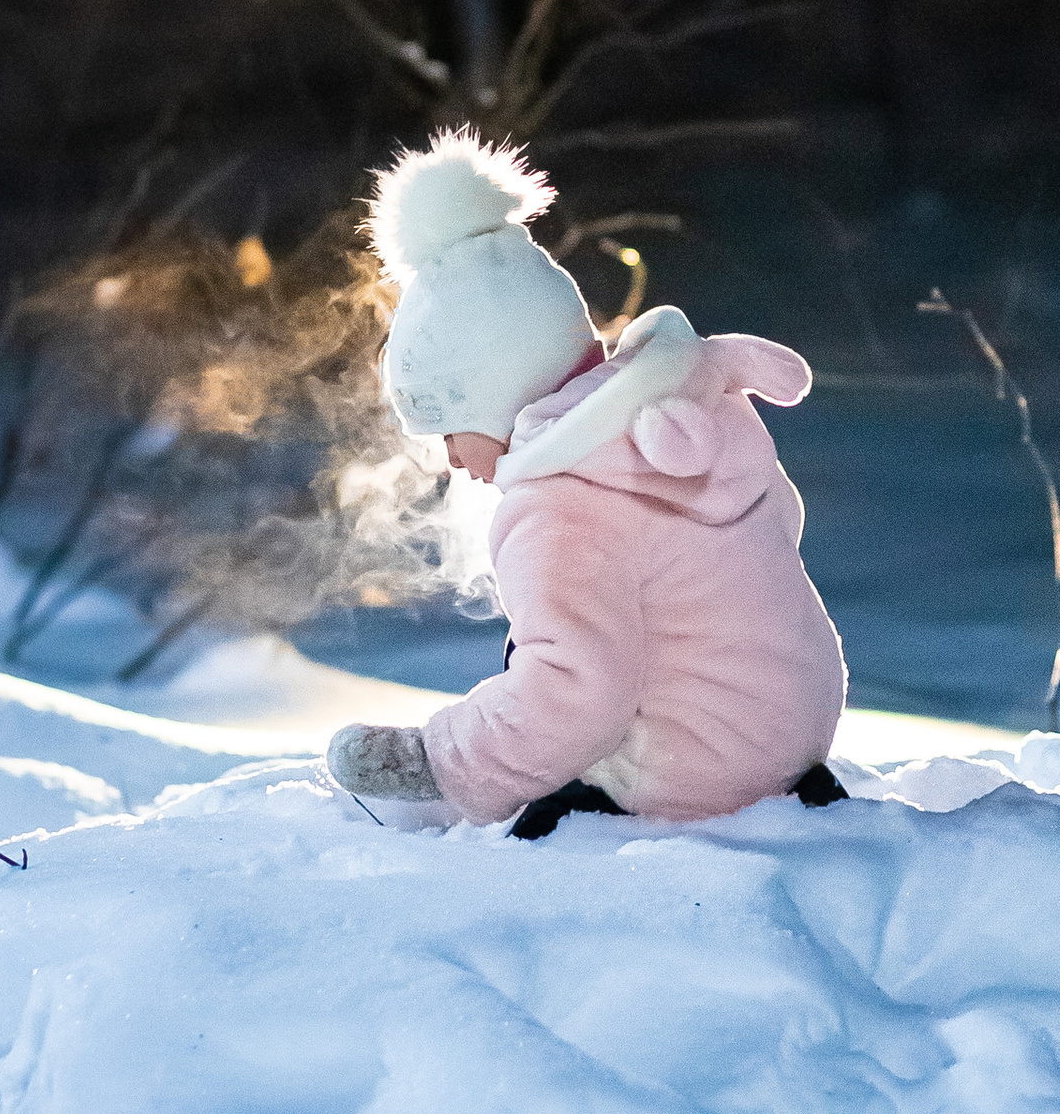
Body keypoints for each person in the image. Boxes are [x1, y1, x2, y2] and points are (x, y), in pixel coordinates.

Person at [323, 128, 847, 834]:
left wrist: (440, 761)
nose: (448, 458)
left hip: (687, 773)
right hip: (791, 736)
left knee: (546, 731)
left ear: (499, 393)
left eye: (449, 427)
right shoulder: (685, 414)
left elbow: (577, 694)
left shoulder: (561, 507)